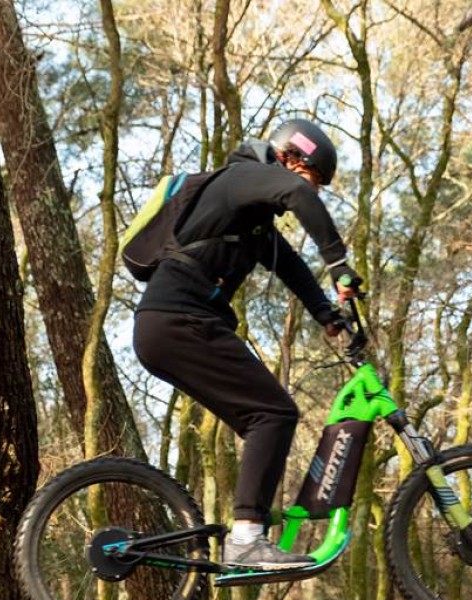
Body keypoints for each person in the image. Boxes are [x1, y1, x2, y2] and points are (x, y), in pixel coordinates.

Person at [133, 117, 361, 570]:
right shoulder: (240, 179)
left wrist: (328, 316)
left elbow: (290, 266)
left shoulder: (249, 221)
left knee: (266, 423)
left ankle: (246, 529)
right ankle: (246, 539)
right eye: (313, 178)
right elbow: (297, 195)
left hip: (172, 327)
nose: (309, 191)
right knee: (273, 413)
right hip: (180, 322)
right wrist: (339, 263)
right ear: (291, 158)